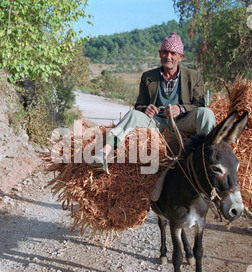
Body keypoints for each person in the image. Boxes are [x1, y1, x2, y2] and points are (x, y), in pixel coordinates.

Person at [90, 32, 216, 171]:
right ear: (159, 53)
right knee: (132, 115)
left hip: (183, 121)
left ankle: (207, 158)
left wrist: (181, 109)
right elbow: (139, 105)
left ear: (181, 57)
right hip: (157, 123)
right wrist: (145, 110)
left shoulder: (194, 77)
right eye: (165, 52)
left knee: (206, 113)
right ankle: (104, 153)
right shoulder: (148, 77)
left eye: (173, 53)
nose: (168, 57)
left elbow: (199, 104)